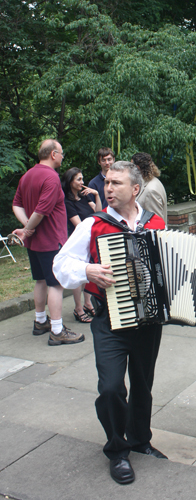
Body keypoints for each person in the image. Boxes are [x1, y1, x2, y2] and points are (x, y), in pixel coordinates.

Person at [53, 161, 167, 485]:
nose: (108, 188)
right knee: (112, 387)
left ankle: (141, 440)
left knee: (143, 386)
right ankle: (118, 451)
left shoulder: (154, 223)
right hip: (108, 319)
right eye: (106, 183)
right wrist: (87, 271)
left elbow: (166, 268)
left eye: (116, 183)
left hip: (148, 321)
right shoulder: (93, 224)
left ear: (135, 190)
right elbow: (60, 264)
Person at [12, 139, 85, 346]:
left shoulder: (27, 175)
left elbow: (16, 204)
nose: (62, 157)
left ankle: (40, 321)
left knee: (41, 280)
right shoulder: (51, 178)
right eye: (61, 153)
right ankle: (57, 330)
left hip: (35, 243)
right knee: (56, 283)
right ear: (53, 154)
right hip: (51, 240)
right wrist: (27, 229)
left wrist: (27, 228)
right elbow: (41, 211)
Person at [61, 167, 102, 323]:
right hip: (78, 240)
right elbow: (78, 225)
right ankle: (78, 308)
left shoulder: (84, 196)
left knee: (89, 273)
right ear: (70, 181)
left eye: (82, 179)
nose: (82, 182)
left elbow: (98, 213)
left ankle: (87, 303)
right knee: (79, 276)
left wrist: (96, 195)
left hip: (90, 238)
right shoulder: (67, 201)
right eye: (78, 179)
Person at [131, 152, 168, 224]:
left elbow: (156, 222)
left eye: (131, 166)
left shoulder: (151, 190)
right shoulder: (150, 182)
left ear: (137, 168)